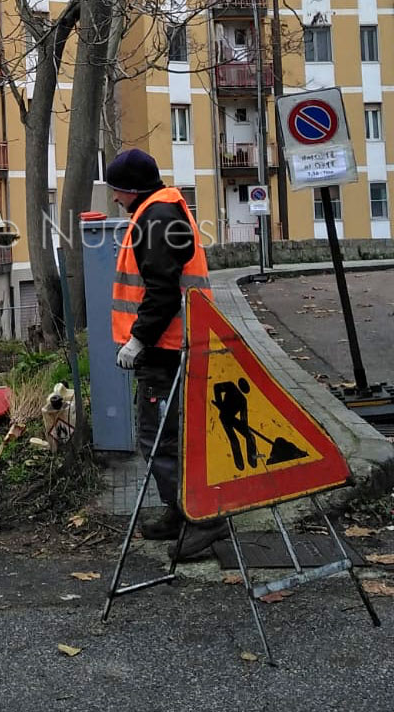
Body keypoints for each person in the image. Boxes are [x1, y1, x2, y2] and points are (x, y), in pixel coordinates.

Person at [108, 148, 224, 560]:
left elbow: (162, 291)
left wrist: (138, 340)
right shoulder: (162, 210)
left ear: (132, 188)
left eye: (117, 190)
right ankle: (180, 513)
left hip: (166, 349)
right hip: (177, 344)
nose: (115, 198)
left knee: (160, 438)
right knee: (170, 435)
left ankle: (202, 519)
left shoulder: (155, 218)